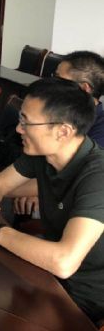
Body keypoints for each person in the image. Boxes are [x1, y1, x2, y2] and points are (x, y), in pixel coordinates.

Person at [0, 78, 104, 326]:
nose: (18, 129)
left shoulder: (97, 175)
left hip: (85, 304)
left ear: (63, 131)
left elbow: (64, 262)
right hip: (46, 277)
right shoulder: (43, 154)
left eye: (26, 122)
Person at [14, 50, 104, 217]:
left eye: (59, 79)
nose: (51, 83)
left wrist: (39, 192)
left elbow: (80, 180)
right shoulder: (46, 117)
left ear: (84, 88)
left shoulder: (100, 132)